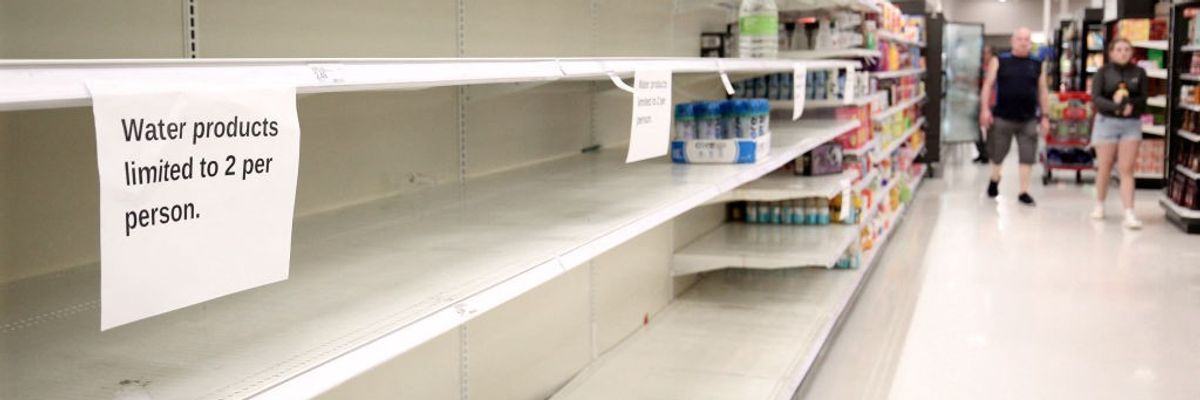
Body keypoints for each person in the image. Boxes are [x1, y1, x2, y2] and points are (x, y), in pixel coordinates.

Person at [979, 28, 1049, 205]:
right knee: (998, 154)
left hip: (1028, 118)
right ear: (1012, 41)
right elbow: (988, 85)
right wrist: (985, 110)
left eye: (1027, 39)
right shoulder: (1000, 61)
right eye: (1019, 39)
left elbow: (1043, 91)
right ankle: (995, 178)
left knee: (1027, 155)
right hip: (1002, 117)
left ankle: (1023, 192)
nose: (1023, 42)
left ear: (1030, 43)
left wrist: (1045, 116)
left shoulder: (1037, 64)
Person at [1089, 38, 1145, 229]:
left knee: (1126, 169)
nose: (1123, 53)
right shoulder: (1103, 72)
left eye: (1127, 49)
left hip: (1131, 124)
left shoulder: (1139, 72)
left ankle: (1129, 212)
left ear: (1131, 52)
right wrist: (1116, 107)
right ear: (1111, 52)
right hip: (1106, 123)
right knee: (1104, 167)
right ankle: (1099, 204)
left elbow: (1143, 98)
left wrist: (1131, 105)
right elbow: (1096, 98)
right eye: (1119, 49)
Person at [975, 45, 996, 164]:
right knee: (975, 127)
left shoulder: (996, 67)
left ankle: (988, 153)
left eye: (986, 53)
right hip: (979, 101)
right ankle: (982, 152)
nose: (984, 55)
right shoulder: (980, 68)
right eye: (983, 53)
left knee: (990, 129)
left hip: (992, 101)